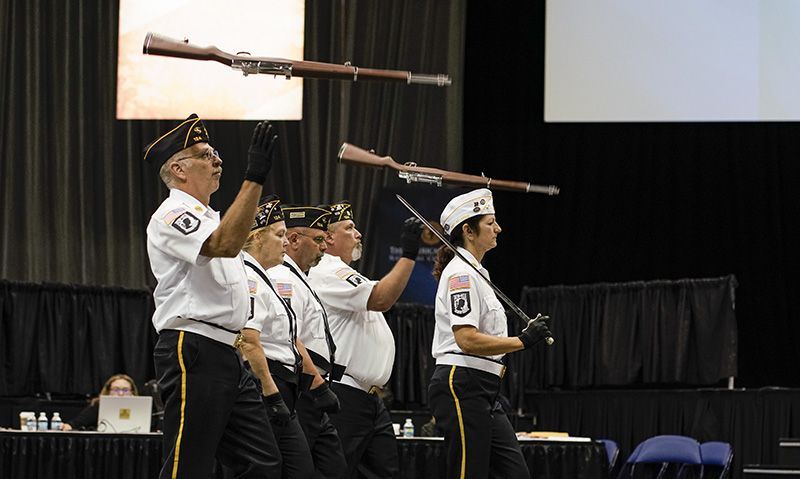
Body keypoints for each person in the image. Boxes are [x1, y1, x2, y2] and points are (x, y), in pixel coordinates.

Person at [144, 114, 282, 478]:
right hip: (194, 345)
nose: (217, 160)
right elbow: (224, 244)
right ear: (178, 168)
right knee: (188, 462)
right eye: (205, 155)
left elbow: (226, 238)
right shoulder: (171, 213)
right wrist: (254, 177)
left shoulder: (209, 216)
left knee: (262, 463)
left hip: (227, 350)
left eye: (216, 153)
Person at [428, 188, 552, 479]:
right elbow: (466, 339)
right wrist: (523, 340)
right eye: (490, 222)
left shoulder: (479, 273)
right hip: (462, 382)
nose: (499, 228)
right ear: (468, 231)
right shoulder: (462, 275)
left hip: (485, 386)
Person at [307, 200, 423, 478]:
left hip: (369, 397)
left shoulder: (346, 273)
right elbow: (381, 298)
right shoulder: (328, 270)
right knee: (336, 471)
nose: (359, 234)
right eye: (349, 228)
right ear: (330, 237)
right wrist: (408, 254)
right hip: (344, 394)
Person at [237, 195, 315, 479]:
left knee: (298, 468)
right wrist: (271, 393)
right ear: (257, 238)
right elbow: (249, 340)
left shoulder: (265, 277)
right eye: (280, 235)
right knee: (265, 469)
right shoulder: (249, 278)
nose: (285, 242)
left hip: (284, 382)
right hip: (265, 382)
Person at [270, 203, 347, 478]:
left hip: (313, 388)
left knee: (332, 467)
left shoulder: (301, 279)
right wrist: (316, 385)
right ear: (293, 240)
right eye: (318, 240)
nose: (324, 247)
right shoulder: (282, 278)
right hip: (302, 387)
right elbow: (290, 336)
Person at [61, 374, 138, 431]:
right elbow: (75, 424)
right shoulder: (98, 405)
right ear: (108, 391)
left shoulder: (140, 407)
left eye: (125, 390)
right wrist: (67, 426)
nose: (121, 393)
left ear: (132, 392)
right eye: (116, 389)